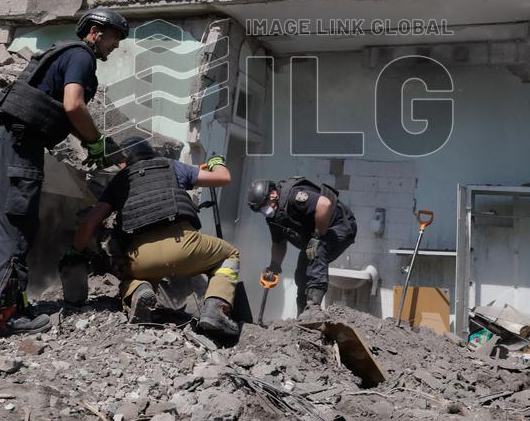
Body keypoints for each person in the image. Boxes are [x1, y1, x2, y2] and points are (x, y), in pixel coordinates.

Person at [0, 7, 128, 339]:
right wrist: (97, 143)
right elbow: (73, 105)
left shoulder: (57, 55)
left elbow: (57, 109)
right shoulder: (82, 56)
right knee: (15, 224)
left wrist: (91, 141)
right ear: (95, 32)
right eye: (115, 37)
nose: (116, 45)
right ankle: (2, 314)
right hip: (23, 145)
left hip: (0, 140)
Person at [64, 137, 240, 339]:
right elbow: (223, 178)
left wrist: (74, 252)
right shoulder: (173, 166)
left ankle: (139, 290)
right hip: (186, 247)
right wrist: (216, 163)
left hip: (142, 258)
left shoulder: (119, 180)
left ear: (125, 161)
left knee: (130, 277)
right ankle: (216, 308)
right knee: (230, 255)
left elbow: (89, 223)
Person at [247, 177, 358, 315]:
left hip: (340, 225)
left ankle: (313, 308)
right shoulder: (274, 217)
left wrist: (317, 236)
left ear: (273, 194)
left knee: (317, 251)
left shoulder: (294, 196)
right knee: (302, 271)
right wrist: (274, 266)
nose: (264, 211)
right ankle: (303, 314)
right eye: (259, 210)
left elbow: (324, 204)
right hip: (320, 234)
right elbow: (278, 242)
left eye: (264, 205)